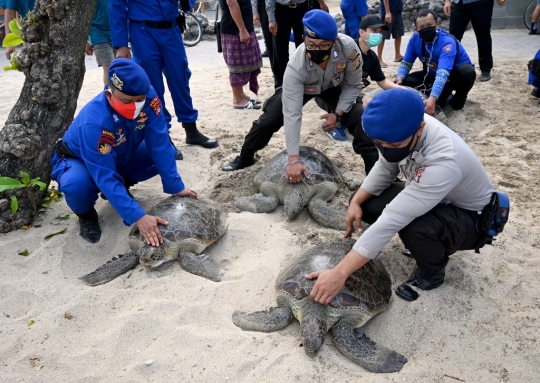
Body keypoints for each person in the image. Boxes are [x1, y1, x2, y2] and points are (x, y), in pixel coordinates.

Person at [306, 88, 500, 304]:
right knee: (366, 202)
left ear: (420, 129)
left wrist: (339, 273)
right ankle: (421, 246)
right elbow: (385, 167)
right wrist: (357, 201)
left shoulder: (444, 160)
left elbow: (394, 217)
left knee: (414, 225)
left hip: (473, 220)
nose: (387, 149)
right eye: (380, 144)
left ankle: (431, 273)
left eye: (394, 145)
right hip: (437, 198)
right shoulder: (395, 127)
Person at [50, 59, 197, 245]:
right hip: (80, 160)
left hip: (122, 151)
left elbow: (159, 142)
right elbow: (104, 174)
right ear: (109, 94)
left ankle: (121, 187)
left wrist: (176, 186)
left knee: (167, 152)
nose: (134, 106)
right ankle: (86, 215)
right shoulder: (95, 122)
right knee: (76, 185)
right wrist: (138, 216)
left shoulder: (150, 98)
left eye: (139, 100)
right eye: (127, 101)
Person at [221, 10, 379, 175]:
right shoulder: (296, 65)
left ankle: (373, 168)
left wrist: (338, 114)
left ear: (335, 41)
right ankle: (246, 156)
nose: (317, 50)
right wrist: (293, 160)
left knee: (359, 114)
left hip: (333, 85)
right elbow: (292, 115)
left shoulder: (349, 48)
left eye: (324, 45)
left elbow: (353, 86)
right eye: (311, 44)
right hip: (303, 87)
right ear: (304, 39)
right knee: (269, 120)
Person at [109, 0, 219, 161]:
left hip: (172, 28)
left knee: (180, 79)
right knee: (153, 86)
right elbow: (116, 5)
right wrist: (121, 45)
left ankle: (191, 129)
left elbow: (188, 4)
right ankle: (163, 135)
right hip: (142, 31)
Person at [319, 14, 402, 141]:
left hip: (350, 93)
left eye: (380, 32)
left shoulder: (372, 57)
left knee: (370, 102)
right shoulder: (348, 49)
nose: (378, 35)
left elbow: (383, 81)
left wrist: (403, 90)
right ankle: (336, 125)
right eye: (373, 31)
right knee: (366, 101)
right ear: (361, 32)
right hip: (328, 92)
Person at [394, 9, 476, 114]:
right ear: (416, 29)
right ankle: (440, 94)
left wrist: (433, 98)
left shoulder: (447, 43)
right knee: (406, 82)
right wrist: (400, 77)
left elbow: (443, 73)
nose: (426, 29)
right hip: (432, 72)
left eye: (429, 25)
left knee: (466, 72)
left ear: (437, 24)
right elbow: (407, 62)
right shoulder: (415, 38)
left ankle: (459, 98)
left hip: (453, 75)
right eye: (422, 27)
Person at [266, 0, 328, 88]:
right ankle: (281, 85)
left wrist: (321, 3)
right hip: (281, 10)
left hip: (302, 9)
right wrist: (271, 18)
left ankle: (306, 81)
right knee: (279, 51)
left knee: (305, 49)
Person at [443, 0, 505, 82]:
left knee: (483, 36)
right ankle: (450, 67)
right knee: (453, 38)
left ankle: (485, 69)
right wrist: (447, 1)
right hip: (459, 3)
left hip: (481, 3)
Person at [221, 0, 263, 109]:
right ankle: (237, 99)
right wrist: (242, 29)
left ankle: (241, 95)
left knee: (245, 62)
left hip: (241, 25)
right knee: (236, 65)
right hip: (234, 29)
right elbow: (231, 2)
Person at [86, 0, 115, 85]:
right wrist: (85, 42)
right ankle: (108, 95)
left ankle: (118, 96)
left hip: (115, 33)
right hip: (98, 34)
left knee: (119, 68)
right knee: (109, 68)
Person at [252, 0, 278, 82]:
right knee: (270, 42)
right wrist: (255, 11)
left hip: (281, 5)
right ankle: (276, 72)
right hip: (264, 8)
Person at [376, 0, 404, 68]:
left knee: (398, 33)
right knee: (383, 34)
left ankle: (398, 55)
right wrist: (387, 12)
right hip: (388, 11)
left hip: (397, 9)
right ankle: (379, 58)